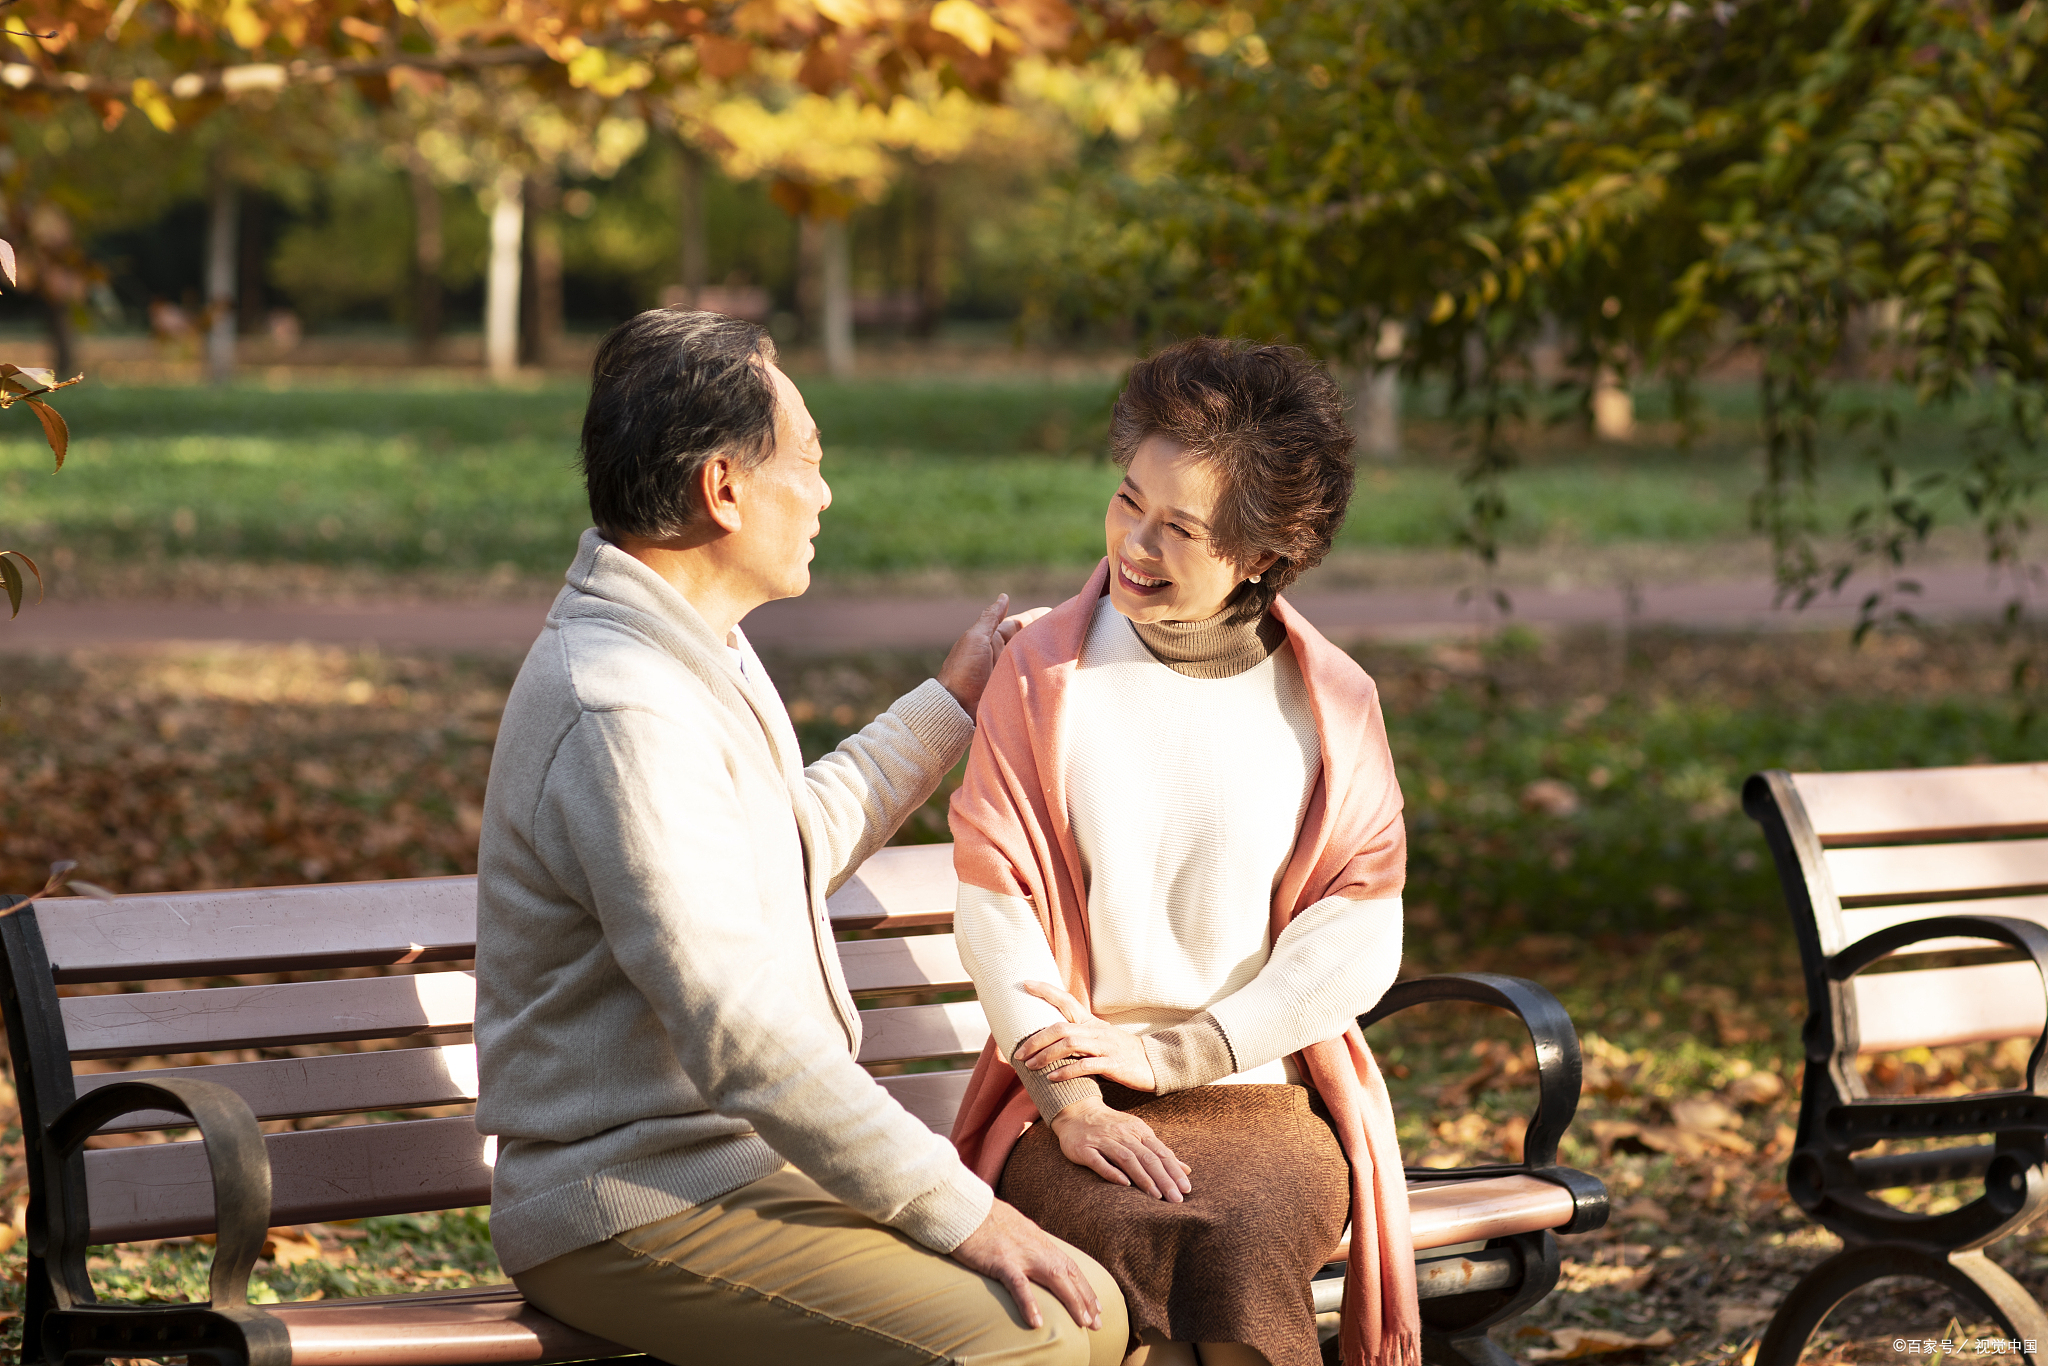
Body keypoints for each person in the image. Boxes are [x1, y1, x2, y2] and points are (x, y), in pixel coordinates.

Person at [472, 308, 1128, 1366]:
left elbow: (779, 847)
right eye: (808, 462)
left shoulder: (692, 647)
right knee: (1029, 1342)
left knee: (1092, 1307)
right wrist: (962, 1210)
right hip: (628, 1204)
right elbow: (741, 1033)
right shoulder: (620, 703)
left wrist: (951, 701)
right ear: (721, 488)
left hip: (727, 1168)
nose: (823, 492)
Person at [947, 338, 1421, 1366]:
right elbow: (995, 904)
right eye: (1127, 501)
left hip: (1259, 1095)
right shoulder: (1041, 674)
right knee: (1123, 1245)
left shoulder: (1329, 704)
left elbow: (1357, 932)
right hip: (1069, 1103)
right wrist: (1071, 1098)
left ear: (1260, 555)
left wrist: (1180, 1053)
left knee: (1238, 1237)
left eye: (1180, 528)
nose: (1134, 544)